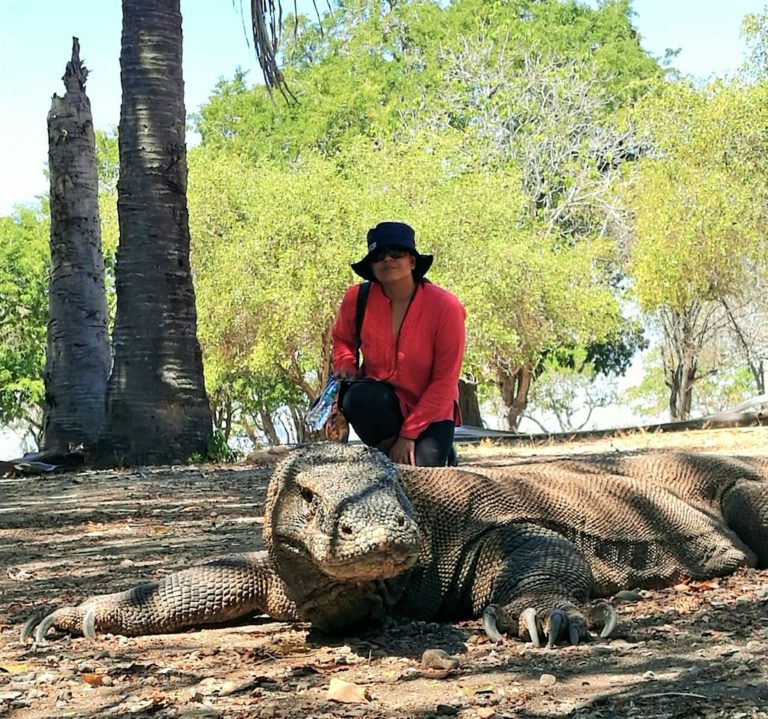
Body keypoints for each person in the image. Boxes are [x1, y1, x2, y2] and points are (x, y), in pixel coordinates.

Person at [331, 221, 466, 466]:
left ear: (413, 261)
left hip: (431, 406)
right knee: (357, 398)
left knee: (425, 475)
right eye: (379, 255)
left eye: (397, 253)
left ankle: (436, 451)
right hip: (381, 400)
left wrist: (409, 434)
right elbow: (342, 338)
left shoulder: (446, 307)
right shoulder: (356, 298)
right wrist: (346, 363)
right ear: (371, 265)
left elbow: (445, 381)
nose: (388, 260)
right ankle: (391, 455)